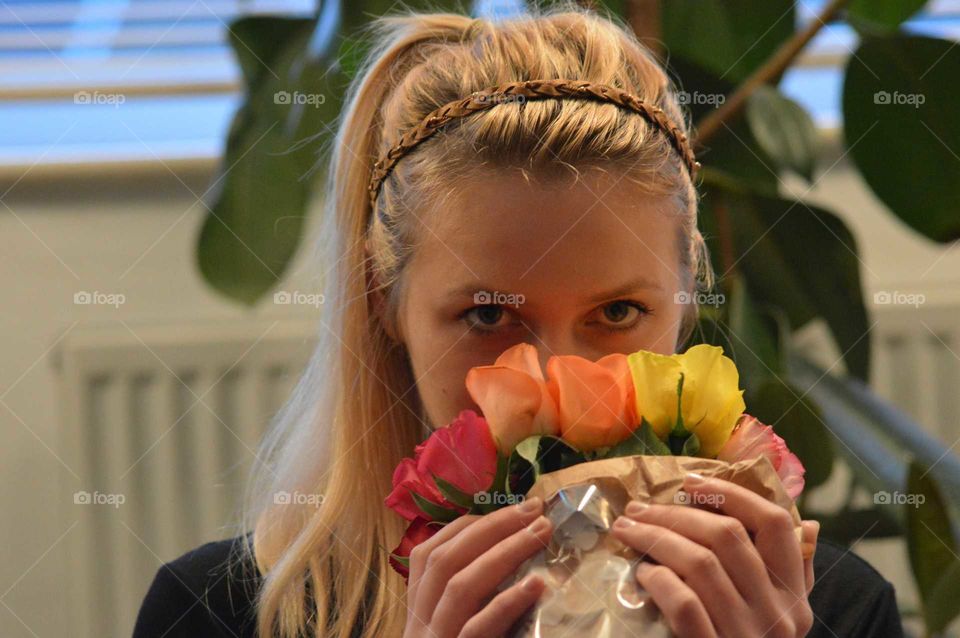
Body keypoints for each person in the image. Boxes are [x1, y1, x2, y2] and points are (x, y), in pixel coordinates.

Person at [134, 3, 905, 637]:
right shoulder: (220, 614)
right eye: (485, 317)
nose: (556, 382)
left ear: (687, 303)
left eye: (617, 312)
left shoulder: (826, 612)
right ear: (385, 305)